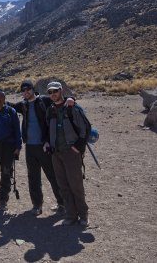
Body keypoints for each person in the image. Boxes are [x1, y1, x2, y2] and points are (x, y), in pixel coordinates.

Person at [6, 79, 74, 216]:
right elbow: (9, 106)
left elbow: (62, 99)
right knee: (33, 177)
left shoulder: (44, 100)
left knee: (53, 176)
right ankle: (37, 205)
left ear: (32, 89)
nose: (26, 92)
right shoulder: (23, 105)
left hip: (44, 146)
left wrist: (71, 98)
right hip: (30, 147)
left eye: (28, 89)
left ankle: (63, 204)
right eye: (23, 91)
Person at [45, 81, 89, 226]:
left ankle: (83, 215)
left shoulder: (72, 108)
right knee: (63, 185)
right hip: (56, 153)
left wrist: (78, 147)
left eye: (55, 91)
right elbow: (47, 129)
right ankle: (70, 215)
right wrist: (48, 142)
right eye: (50, 92)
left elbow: (85, 128)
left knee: (75, 185)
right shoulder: (50, 109)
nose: (53, 95)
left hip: (71, 152)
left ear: (61, 90)